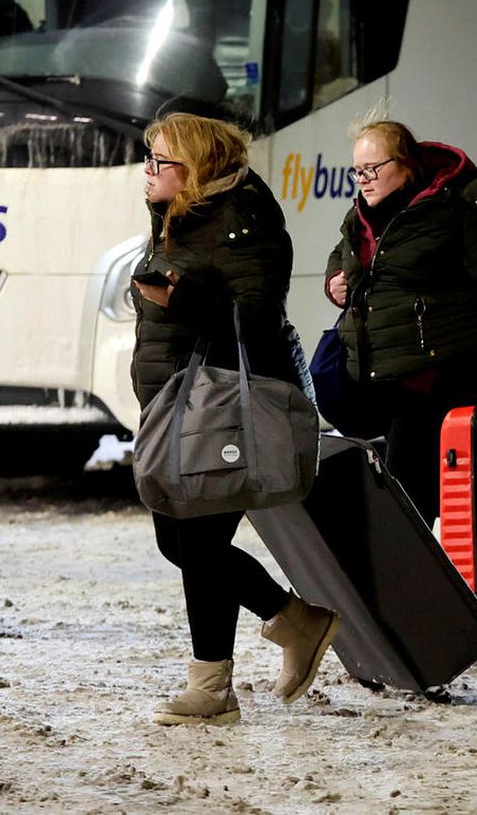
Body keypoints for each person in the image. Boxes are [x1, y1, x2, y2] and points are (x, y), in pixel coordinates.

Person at [131, 112, 339, 726]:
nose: (148, 171)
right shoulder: (182, 215)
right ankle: (296, 621)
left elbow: (256, 319)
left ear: (193, 170)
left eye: (159, 162)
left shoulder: (242, 221)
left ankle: (212, 689)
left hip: (222, 404)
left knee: (195, 537)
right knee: (178, 538)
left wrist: (181, 298)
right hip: (180, 398)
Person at [324, 116, 477, 527]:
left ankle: (417, 584)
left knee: (409, 496)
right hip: (386, 373)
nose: (363, 180)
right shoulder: (363, 216)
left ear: (406, 165)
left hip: (441, 372)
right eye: (357, 171)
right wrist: (336, 281)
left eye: (372, 169)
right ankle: (416, 580)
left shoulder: (458, 210)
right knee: (407, 491)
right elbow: (344, 255)